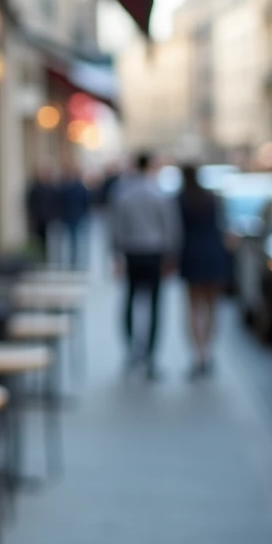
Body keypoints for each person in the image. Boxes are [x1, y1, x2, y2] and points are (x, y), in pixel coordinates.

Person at [109, 152, 181, 379]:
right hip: (154, 253)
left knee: (130, 301)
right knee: (155, 306)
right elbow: (170, 228)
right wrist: (171, 257)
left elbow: (115, 227)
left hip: (132, 253)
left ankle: (132, 350)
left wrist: (116, 255)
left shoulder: (123, 194)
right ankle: (149, 357)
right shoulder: (159, 194)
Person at [177, 164, 230, 378]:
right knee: (212, 307)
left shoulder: (181, 200)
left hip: (191, 255)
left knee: (194, 307)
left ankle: (198, 353)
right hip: (214, 253)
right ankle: (208, 350)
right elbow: (222, 226)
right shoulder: (211, 198)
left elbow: (175, 231)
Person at [58, 163, 91, 269]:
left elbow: (86, 201)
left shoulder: (79, 187)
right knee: (72, 237)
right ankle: (73, 258)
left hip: (76, 215)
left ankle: (76, 258)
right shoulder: (65, 186)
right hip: (70, 215)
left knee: (75, 237)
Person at [26, 165, 60, 262]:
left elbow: (56, 202)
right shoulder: (35, 188)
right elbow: (31, 203)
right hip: (39, 219)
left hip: (49, 218)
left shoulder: (52, 188)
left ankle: (50, 257)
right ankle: (42, 257)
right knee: (40, 240)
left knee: (52, 239)